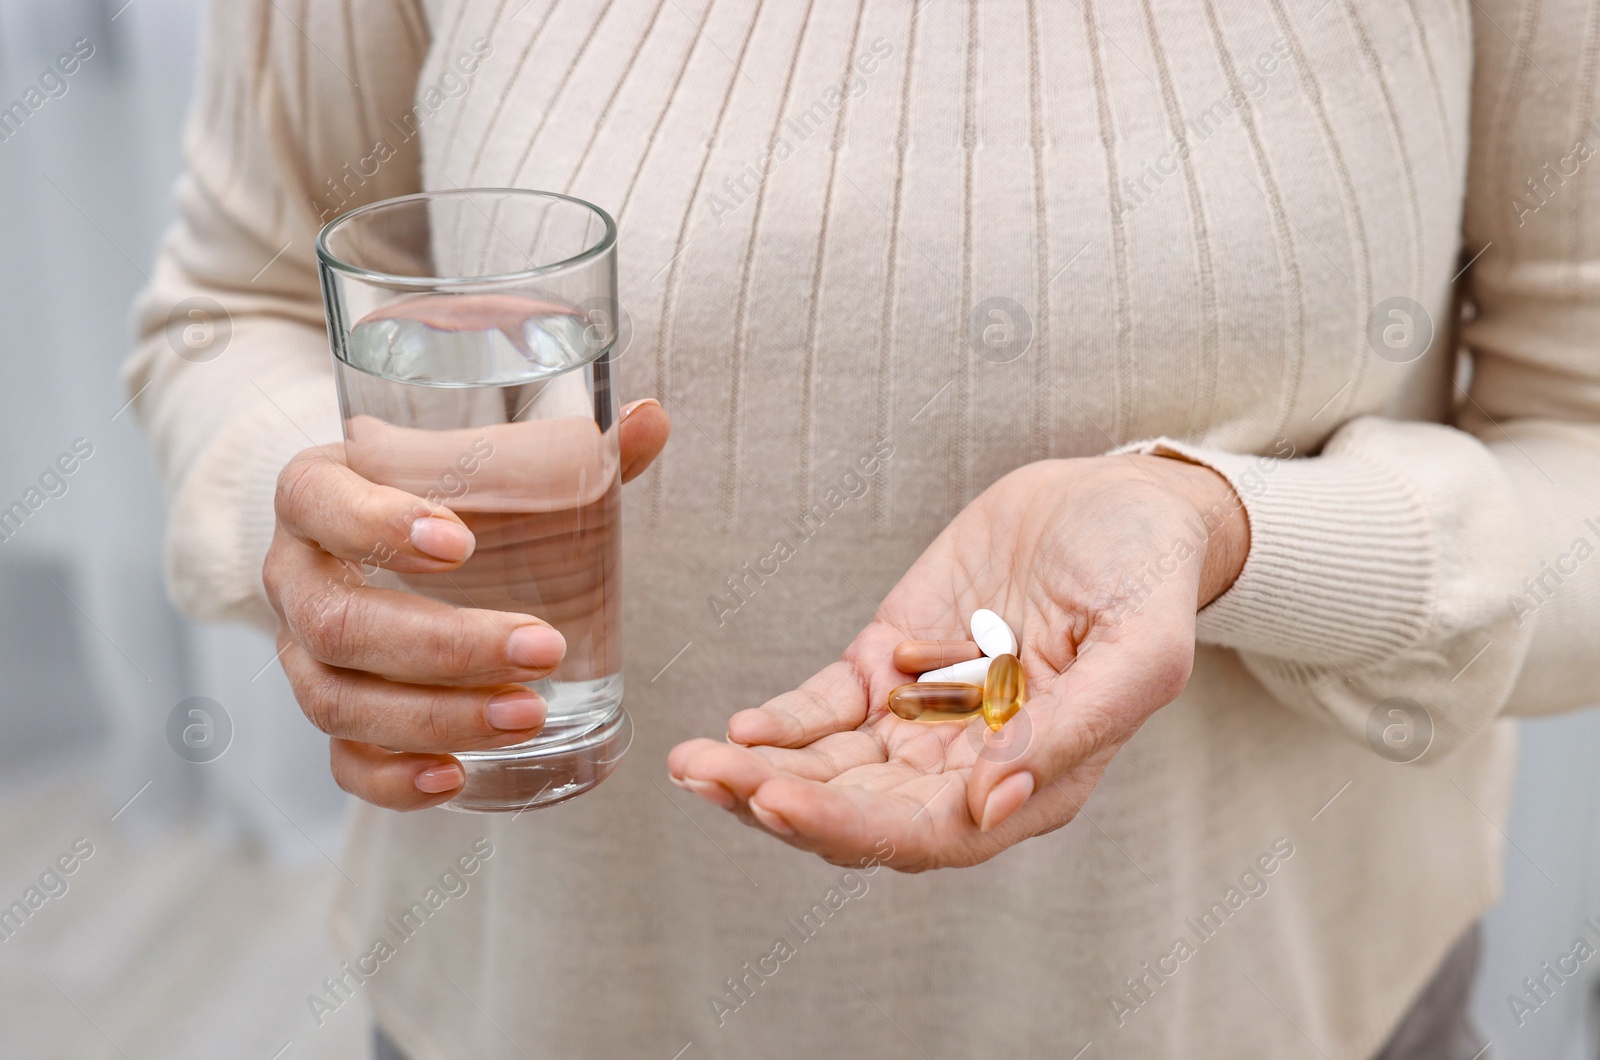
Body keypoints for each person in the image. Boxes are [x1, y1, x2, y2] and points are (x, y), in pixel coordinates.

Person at [125, 0, 1600, 1057]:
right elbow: (234, 305)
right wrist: (321, 527)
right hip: (542, 1008)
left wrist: (1233, 533)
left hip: (1291, 1015)